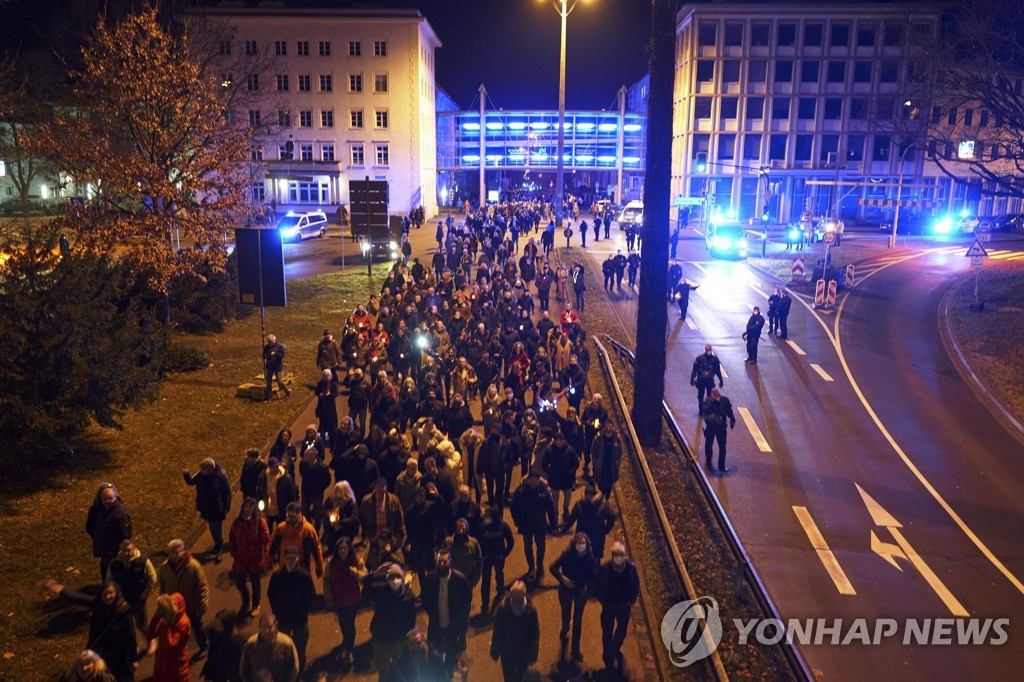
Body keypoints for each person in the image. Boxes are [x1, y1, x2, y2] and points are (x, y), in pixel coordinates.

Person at [40, 579, 138, 682]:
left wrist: (134, 658)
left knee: (123, 677)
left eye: (111, 593)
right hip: (100, 649)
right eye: (105, 594)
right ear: (101, 594)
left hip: (119, 652)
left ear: (117, 593)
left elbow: (131, 633)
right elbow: (76, 597)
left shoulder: (123, 609)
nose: (108, 596)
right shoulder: (97, 604)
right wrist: (52, 586)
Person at [419, 547, 472, 675]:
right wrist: (432, 613)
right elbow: (424, 599)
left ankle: (448, 674)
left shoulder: (460, 580)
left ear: (450, 562)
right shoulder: (430, 579)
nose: (442, 564)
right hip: (436, 625)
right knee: (435, 654)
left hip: (452, 627)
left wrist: (461, 622)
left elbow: (466, 601)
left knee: (451, 654)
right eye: (440, 561)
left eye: (444, 561)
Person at [549, 531, 598, 665]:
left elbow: (594, 576)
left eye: (583, 543)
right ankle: (565, 627)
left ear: (586, 545)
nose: (581, 545)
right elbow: (552, 567)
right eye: (578, 543)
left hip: (580, 592)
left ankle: (575, 649)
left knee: (577, 619)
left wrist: (587, 587)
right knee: (566, 613)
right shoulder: (568, 555)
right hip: (566, 590)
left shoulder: (590, 558)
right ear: (574, 544)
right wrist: (562, 578)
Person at [267, 546, 316, 674]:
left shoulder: (305, 576)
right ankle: (287, 671)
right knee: (283, 647)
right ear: (284, 559)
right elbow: (271, 594)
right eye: (287, 558)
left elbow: (311, 596)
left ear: (297, 558)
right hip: (283, 619)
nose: (290, 561)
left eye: (293, 558)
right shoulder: (277, 577)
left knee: (300, 648)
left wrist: (303, 610)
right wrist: (277, 611)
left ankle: (299, 672)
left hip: (299, 619)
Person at [365, 563, 418, 679]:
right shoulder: (380, 589)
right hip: (381, 639)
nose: (395, 581)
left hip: (398, 641)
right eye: (391, 577)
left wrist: (407, 636)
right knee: (383, 670)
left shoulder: (408, 596)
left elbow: (411, 618)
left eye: (398, 577)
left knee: (399, 669)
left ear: (402, 579)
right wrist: (374, 574)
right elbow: (366, 585)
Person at [595, 542, 641, 673]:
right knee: (607, 631)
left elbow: (636, 584)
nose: (619, 557)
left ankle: (615, 647)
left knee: (621, 630)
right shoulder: (605, 569)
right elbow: (597, 586)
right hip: (609, 605)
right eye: (616, 554)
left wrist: (631, 600)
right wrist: (603, 601)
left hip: (623, 605)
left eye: (621, 554)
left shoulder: (631, 569)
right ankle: (608, 653)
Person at [106, 539, 157, 647]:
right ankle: (133, 648)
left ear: (134, 549)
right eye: (123, 551)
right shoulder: (114, 564)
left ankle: (150, 641)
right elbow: (109, 582)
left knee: (142, 626)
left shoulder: (143, 561)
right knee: (128, 628)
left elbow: (152, 578)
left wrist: (145, 594)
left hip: (138, 600)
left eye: (128, 550)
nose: (126, 553)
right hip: (123, 602)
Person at [509, 469, 557, 584]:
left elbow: (551, 507)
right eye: (533, 480)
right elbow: (513, 507)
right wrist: (517, 521)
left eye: (537, 480)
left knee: (541, 547)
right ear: (529, 480)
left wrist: (553, 524)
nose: (535, 483)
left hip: (540, 525)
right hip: (526, 525)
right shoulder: (521, 491)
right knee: (527, 547)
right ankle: (531, 567)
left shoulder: (543, 491)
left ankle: (539, 564)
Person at [323, 536, 365, 665]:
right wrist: (328, 597)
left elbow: (364, 575)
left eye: (345, 548)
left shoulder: (356, 561)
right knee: (342, 622)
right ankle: (346, 642)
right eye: (340, 548)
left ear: (349, 549)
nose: (342, 550)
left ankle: (349, 647)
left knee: (349, 623)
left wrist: (357, 573)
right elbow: (326, 580)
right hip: (338, 600)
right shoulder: (332, 563)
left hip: (352, 600)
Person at [182, 458, 232, 563]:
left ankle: (219, 549)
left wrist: (226, 507)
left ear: (209, 470)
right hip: (206, 508)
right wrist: (186, 475)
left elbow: (227, 492)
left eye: (202, 469)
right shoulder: (201, 474)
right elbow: (191, 481)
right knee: (212, 528)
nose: (200, 471)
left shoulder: (220, 476)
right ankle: (217, 546)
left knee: (217, 529)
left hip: (217, 509)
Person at [228, 497, 270, 619]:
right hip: (241, 559)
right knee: (240, 582)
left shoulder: (259, 522)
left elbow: (266, 540)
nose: (248, 509)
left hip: (255, 559)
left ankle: (256, 605)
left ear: (254, 509)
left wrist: (267, 555)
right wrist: (233, 551)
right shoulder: (237, 522)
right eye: (246, 506)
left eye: (251, 506)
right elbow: (232, 537)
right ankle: (246, 601)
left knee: (255, 582)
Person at [490, 581, 539, 682]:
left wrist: (532, 655)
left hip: (522, 654)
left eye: (519, 597)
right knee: (508, 678)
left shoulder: (531, 611)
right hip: (507, 652)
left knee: (521, 678)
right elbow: (498, 630)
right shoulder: (503, 609)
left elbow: (535, 634)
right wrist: (495, 650)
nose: (516, 601)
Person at [86, 483, 132, 581]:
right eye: (105, 499)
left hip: (112, 552)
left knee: (113, 575)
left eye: (110, 498)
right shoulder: (101, 510)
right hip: (105, 551)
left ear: (115, 497)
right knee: (105, 573)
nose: (107, 501)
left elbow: (125, 535)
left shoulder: (120, 514)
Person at [269, 502, 324, 578]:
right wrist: (269, 562)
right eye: (288, 516)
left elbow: (316, 549)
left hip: (302, 569)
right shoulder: (281, 529)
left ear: (299, 514)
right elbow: (273, 546)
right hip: (285, 568)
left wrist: (319, 567)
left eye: (293, 516)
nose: (290, 519)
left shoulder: (308, 530)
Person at [239, 613, 299, 682]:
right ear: (260, 628)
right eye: (263, 627)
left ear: (276, 625)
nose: (266, 631)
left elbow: (293, 667)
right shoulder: (251, 643)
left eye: (270, 627)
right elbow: (244, 666)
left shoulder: (286, 643)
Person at [478, 504, 515, 614]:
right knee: (486, 580)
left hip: (498, 557)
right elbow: (479, 542)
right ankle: (485, 603)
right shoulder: (483, 526)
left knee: (499, 574)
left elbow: (511, 542)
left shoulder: (503, 526)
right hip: (487, 558)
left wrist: (504, 554)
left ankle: (500, 592)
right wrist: (482, 555)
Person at [563, 485, 617, 560]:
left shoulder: (602, 506)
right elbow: (572, 518)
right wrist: (565, 528)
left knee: (593, 561)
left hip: (594, 540)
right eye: (587, 495)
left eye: (590, 495)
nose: (589, 497)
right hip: (587, 539)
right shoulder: (580, 505)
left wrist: (606, 530)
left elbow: (612, 516)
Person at [146, 593, 191, 682]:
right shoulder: (166, 618)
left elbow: (171, 647)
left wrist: (166, 626)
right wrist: (156, 617)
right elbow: (150, 634)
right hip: (163, 660)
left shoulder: (183, 623)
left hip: (175, 664)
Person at [540, 430, 579, 525]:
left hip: (567, 480)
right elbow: (544, 463)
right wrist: (550, 472)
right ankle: (555, 516)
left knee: (567, 498)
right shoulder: (549, 450)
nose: (559, 442)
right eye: (557, 440)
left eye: (561, 440)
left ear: (564, 441)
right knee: (554, 500)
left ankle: (566, 509)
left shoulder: (570, 450)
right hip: (555, 480)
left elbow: (576, 463)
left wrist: (571, 472)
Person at [358, 477, 406, 549]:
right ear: (374, 488)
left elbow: (399, 521)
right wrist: (364, 538)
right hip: (372, 539)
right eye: (378, 486)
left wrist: (399, 540)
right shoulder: (366, 501)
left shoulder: (394, 501)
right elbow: (362, 521)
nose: (381, 489)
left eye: (383, 486)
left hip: (389, 539)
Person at [442, 518, 482, 601]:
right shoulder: (448, 542)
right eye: (459, 528)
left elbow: (479, 562)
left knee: (465, 604)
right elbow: (440, 559)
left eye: (463, 529)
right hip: (451, 582)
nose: (461, 531)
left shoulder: (473, 543)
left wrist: (473, 580)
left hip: (466, 582)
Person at [200, 608, 245, 682]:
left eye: (219, 625)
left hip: (229, 669)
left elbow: (239, 661)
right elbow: (212, 651)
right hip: (218, 668)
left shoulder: (235, 640)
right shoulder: (215, 632)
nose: (216, 627)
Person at [256, 457, 298, 528]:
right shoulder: (264, 476)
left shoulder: (285, 478)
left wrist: (289, 509)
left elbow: (290, 494)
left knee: (280, 530)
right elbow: (259, 490)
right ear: (269, 467)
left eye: (276, 466)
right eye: (273, 467)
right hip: (267, 510)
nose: (275, 469)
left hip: (280, 510)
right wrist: (260, 502)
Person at [702, 387, 736, 474]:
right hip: (711, 427)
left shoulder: (725, 401)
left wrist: (732, 420)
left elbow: (729, 411)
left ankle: (721, 465)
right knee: (709, 445)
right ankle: (709, 463)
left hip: (721, 427)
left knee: (722, 446)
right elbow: (704, 411)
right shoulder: (708, 401)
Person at [298, 447, 331, 532]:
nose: (304, 457)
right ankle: (307, 528)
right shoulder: (303, 464)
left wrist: (320, 488)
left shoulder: (322, 467)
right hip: (306, 492)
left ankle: (316, 531)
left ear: (313, 456)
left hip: (317, 494)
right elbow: (302, 473)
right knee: (304, 512)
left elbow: (327, 480)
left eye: (306, 455)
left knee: (317, 514)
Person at [592, 420, 623, 503]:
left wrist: (618, 463)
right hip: (601, 467)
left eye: (610, 427)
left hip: (611, 467)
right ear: (604, 427)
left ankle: (606, 499)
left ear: (612, 428)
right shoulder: (598, 438)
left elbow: (620, 452)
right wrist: (595, 463)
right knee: (601, 485)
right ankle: (602, 500)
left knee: (609, 485)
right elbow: (593, 451)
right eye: (607, 427)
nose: (608, 428)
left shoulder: (616, 439)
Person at [690, 345, 723, 416]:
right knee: (700, 395)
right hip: (701, 381)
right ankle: (701, 409)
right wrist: (692, 379)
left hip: (710, 381)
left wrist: (721, 380)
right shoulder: (700, 359)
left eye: (710, 350)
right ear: (705, 350)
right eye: (708, 350)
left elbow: (718, 371)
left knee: (709, 396)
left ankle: (708, 409)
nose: (709, 352)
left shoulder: (714, 359)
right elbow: (694, 369)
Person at [580, 394, 607, 478]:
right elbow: (582, 419)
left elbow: (605, 422)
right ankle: (587, 461)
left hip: (597, 435)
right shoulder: (588, 409)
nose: (596, 401)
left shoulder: (603, 412)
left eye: (598, 400)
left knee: (596, 450)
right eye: (595, 399)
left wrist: (600, 425)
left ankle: (595, 468)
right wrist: (587, 423)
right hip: (588, 433)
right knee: (587, 448)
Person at [262, 333, 291, 400]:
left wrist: (275, 354)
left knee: (279, 380)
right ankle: (269, 395)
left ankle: (287, 391)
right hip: (269, 367)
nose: (271, 343)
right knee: (268, 381)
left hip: (277, 367)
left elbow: (282, 355)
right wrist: (269, 355)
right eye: (270, 342)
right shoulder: (267, 347)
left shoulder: (279, 347)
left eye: (272, 342)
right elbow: (264, 356)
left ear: (275, 340)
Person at [314, 369, 339, 441]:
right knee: (323, 422)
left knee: (332, 422)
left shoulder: (333, 383)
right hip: (322, 405)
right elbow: (317, 391)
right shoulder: (320, 383)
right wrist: (320, 394)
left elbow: (335, 393)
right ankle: (322, 437)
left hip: (330, 405)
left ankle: (332, 437)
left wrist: (330, 394)